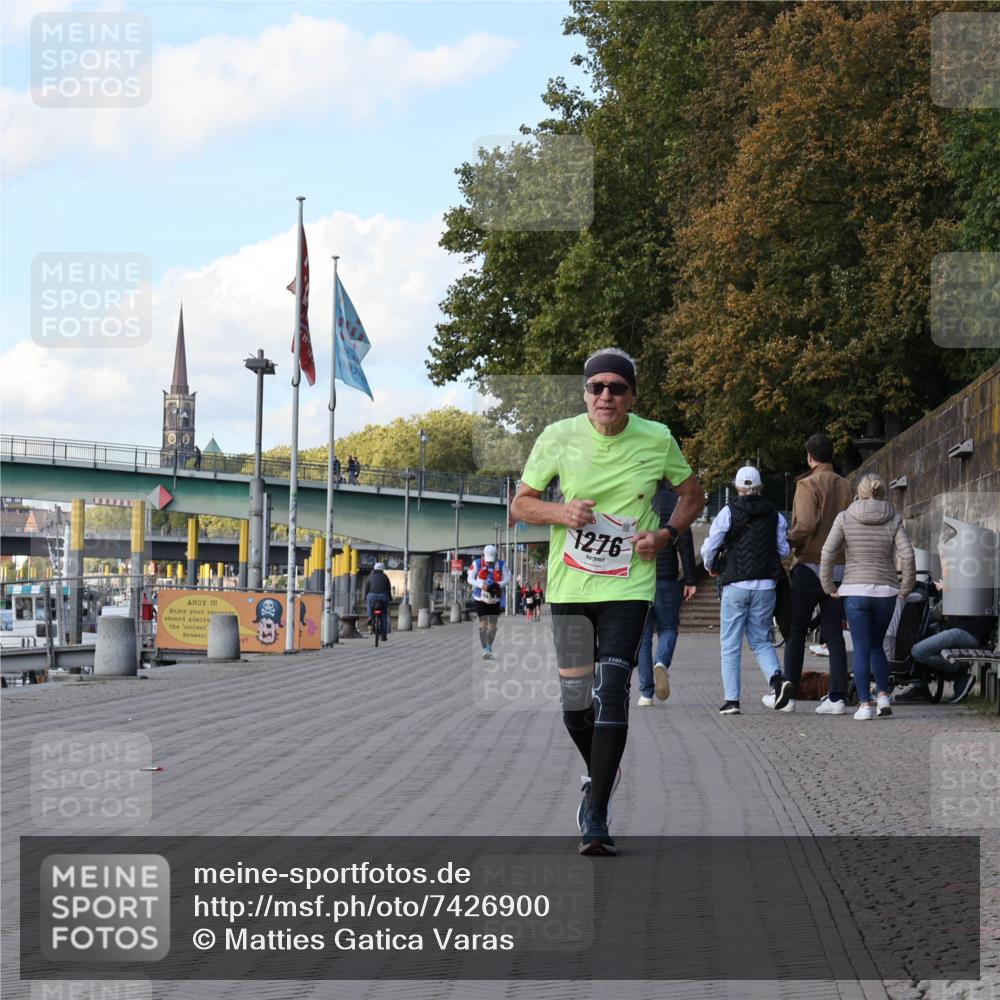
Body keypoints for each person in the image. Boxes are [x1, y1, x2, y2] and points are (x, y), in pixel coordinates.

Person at [511, 347, 704, 856]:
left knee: (613, 689)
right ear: (585, 394)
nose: (606, 396)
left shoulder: (657, 437)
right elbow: (521, 504)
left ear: (632, 396)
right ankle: (604, 768)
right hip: (571, 587)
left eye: (617, 387)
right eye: (596, 387)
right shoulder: (558, 436)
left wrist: (664, 535)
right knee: (576, 705)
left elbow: (693, 495)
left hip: (628, 585)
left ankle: (595, 813)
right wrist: (561, 512)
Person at [820, 474, 915, 719]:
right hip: (886, 591)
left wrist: (828, 584)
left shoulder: (845, 517)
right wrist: (906, 586)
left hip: (855, 591)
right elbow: (907, 554)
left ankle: (864, 705)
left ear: (860, 493)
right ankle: (883, 696)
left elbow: (828, 552)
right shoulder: (893, 518)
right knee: (877, 644)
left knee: (861, 647)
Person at [773, 433, 853, 713]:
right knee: (833, 633)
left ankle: (789, 694)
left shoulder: (807, 484)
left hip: (809, 565)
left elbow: (805, 523)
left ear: (809, 457)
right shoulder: (846, 485)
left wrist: (789, 541)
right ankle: (837, 696)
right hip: (839, 567)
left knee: (796, 630)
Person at [701, 466, 790, 715]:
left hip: (736, 583)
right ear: (760, 486)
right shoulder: (776, 514)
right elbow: (784, 551)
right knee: (761, 639)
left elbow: (711, 546)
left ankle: (732, 700)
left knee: (730, 643)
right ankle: (777, 681)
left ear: (737, 487)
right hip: (766, 585)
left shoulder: (728, 512)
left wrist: (710, 566)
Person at [636, 486, 697, 706]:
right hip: (667, 579)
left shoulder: (637, 498)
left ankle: (646, 693)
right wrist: (690, 579)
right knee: (668, 628)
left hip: (640, 580)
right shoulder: (676, 503)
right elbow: (685, 541)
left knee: (642, 637)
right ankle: (661, 662)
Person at [896, 580, 996, 705]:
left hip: (966, 633)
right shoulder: (966, 579)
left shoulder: (974, 582)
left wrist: (945, 590)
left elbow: (943, 611)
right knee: (920, 635)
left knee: (918, 651)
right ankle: (919, 686)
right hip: (960, 631)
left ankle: (959, 673)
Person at [467, 544, 509, 659]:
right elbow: (470, 578)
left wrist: (498, 585)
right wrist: (481, 585)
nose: (490, 563)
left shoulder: (501, 564)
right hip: (480, 598)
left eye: (492, 560)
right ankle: (485, 649)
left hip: (495, 599)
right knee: (483, 624)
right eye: (488, 561)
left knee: (492, 626)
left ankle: (489, 646)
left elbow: (508, 578)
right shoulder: (477, 563)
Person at [363, 562, 391, 638]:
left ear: (374, 568)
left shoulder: (370, 576)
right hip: (383, 596)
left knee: (369, 605)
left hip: (372, 596)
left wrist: (365, 597)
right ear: (382, 569)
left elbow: (366, 588)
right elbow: (388, 589)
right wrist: (390, 598)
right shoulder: (385, 577)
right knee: (384, 615)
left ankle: (370, 616)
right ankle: (384, 636)